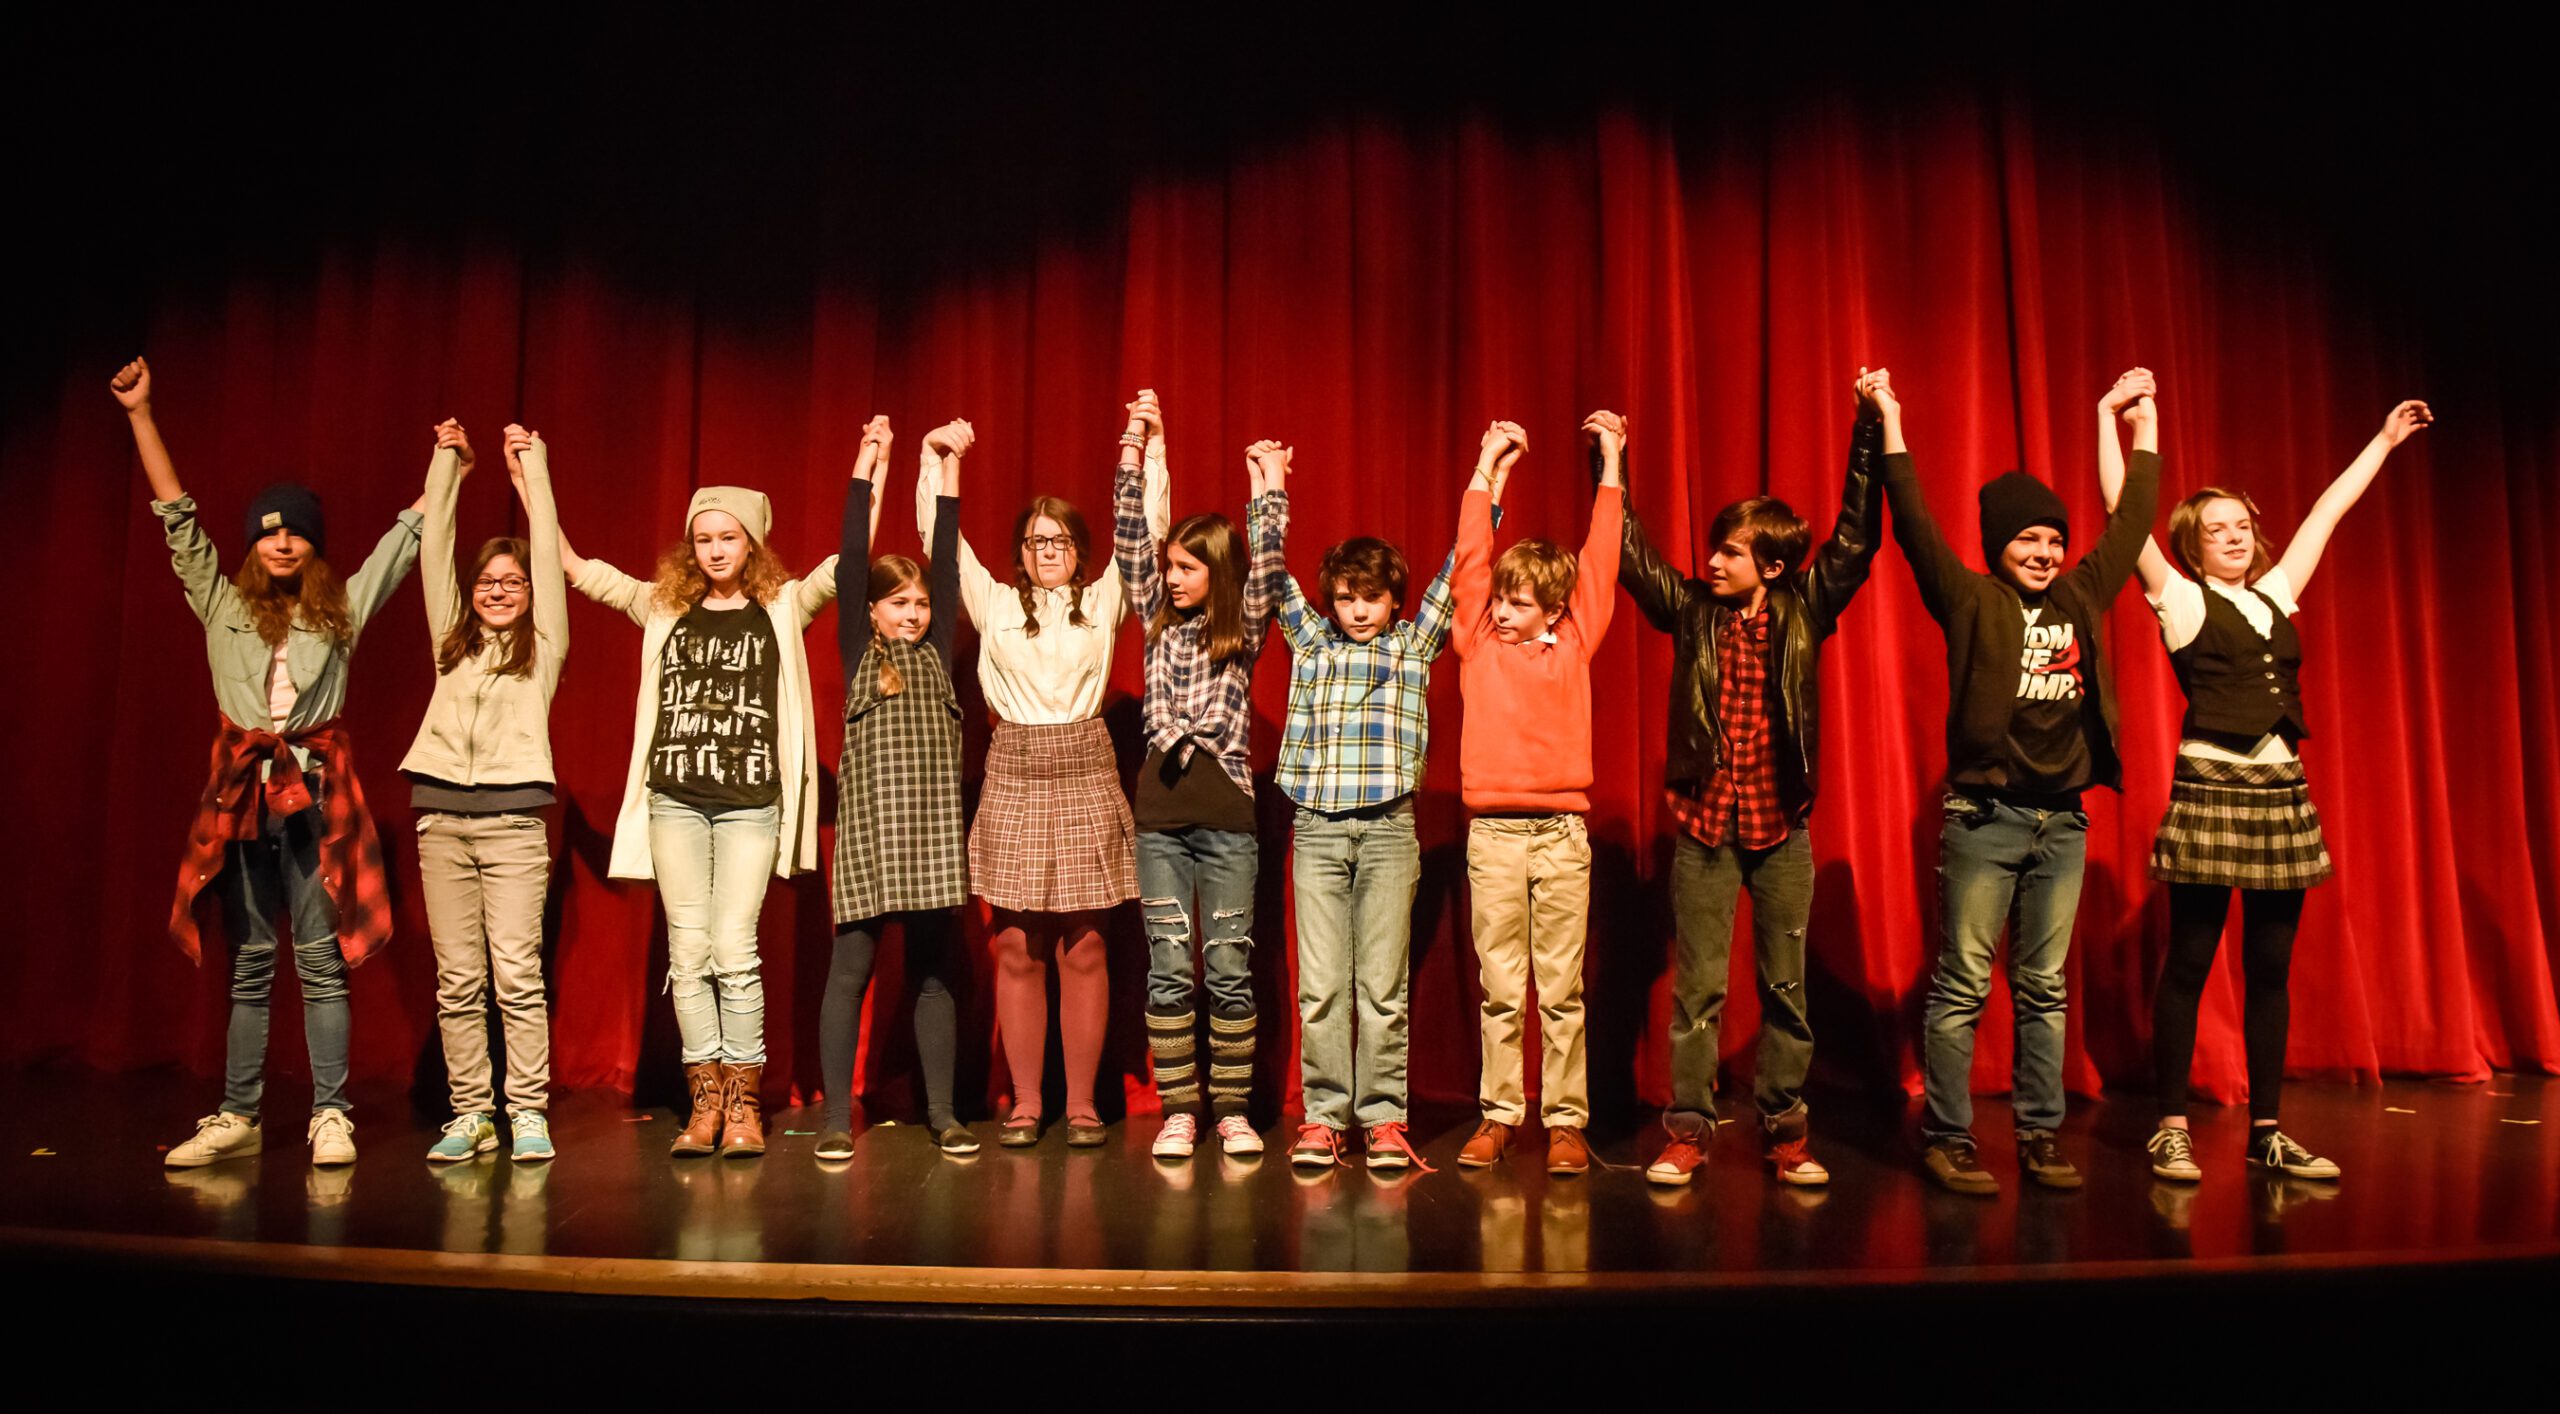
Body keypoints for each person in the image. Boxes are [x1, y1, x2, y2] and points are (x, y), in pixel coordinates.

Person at [2102, 371, 2430, 1183]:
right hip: (2213, 787)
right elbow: (2124, 513)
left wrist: (2383, 444)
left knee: (2271, 968)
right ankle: (2171, 1125)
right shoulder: (2177, 598)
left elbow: (2328, 510)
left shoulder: (2280, 595)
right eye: (2217, 529)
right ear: (2194, 544)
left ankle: (2268, 1132)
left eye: (2242, 525)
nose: (2235, 536)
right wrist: (2111, 420)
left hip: (2283, 791)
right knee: (2190, 958)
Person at [117, 357, 424, 1169]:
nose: (282, 540)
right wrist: (142, 414)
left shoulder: (343, 609)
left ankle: (331, 1112)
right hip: (241, 798)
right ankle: (239, 1113)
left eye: (294, 531)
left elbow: (408, 539)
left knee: (320, 959)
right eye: (269, 530)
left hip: (317, 798)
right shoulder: (220, 601)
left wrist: (448, 468)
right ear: (254, 544)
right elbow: (176, 517)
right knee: (251, 960)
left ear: (312, 546)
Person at [1883, 367, 2159, 1195]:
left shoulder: (2082, 593)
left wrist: (2137, 423)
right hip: (1984, 816)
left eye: (2051, 540)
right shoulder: (1969, 599)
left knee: (2044, 987)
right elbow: (1914, 522)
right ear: (1996, 546)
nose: (2042, 553)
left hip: (2063, 822)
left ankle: (2040, 1136)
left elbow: (2135, 517)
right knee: (1964, 981)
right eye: (2025, 541)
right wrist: (1891, 417)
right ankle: (1951, 1138)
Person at [1619, 375, 1886, 1188]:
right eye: (1714, 549)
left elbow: (1856, 538)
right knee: (1697, 989)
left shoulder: (1805, 607)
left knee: (1785, 987)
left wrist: (1869, 431)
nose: (1711, 561)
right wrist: (1613, 463)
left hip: (1781, 831)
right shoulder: (1695, 611)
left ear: (1769, 563)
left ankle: (1785, 1128)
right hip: (1705, 826)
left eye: (1728, 551)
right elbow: (1633, 562)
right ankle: (1689, 1130)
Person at [563, 468, 838, 1158]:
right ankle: (706, 1101)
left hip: (749, 805)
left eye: (728, 538)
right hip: (674, 802)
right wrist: (534, 478)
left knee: (734, 949)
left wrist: (874, 466)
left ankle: (745, 1101)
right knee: (688, 954)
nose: (715, 550)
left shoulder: (782, 606)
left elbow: (846, 565)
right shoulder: (665, 606)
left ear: (752, 544)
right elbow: (580, 572)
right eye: (704, 539)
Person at [916, 412, 1168, 1146]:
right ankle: (1027, 1102)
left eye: (1059, 540)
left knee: (1085, 943)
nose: (1047, 550)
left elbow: (1147, 527)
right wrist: (937, 463)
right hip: (1018, 768)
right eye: (1035, 540)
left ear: (1080, 550)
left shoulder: (1104, 598)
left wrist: (1145, 448)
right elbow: (942, 547)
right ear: (1021, 553)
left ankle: (1083, 1102)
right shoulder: (994, 602)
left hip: (1085, 763)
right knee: (1016, 943)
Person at [1272, 477, 1502, 1172]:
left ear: (1394, 600)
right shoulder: (1312, 644)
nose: (1358, 610)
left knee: (1380, 986)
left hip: (1387, 833)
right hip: (1316, 830)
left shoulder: (1411, 646)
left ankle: (1380, 1119)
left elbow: (1460, 565)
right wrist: (1268, 491)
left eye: (1371, 597)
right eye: (1345, 597)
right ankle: (1322, 1117)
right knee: (1321, 986)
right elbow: (1272, 577)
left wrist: (1489, 478)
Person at [1113, 393, 1290, 1161]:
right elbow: (1127, 540)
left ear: (1214, 570)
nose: (1173, 577)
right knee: (1168, 969)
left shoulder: (1238, 629)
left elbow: (1271, 570)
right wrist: (1136, 442)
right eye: (1170, 566)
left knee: (1226, 967)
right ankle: (1179, 1108)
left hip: (1226, 824)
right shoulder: (1155, 620)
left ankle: (1231, 1111)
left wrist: (1269, 484)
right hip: (1160, 821)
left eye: (1187, 567)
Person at [1451, 417, 1624, 1176]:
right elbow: (1469, 561)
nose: (1503, 609)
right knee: (1500, 989)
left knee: (1560, 990)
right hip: (1492, 835)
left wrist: (1613, 462)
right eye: (1503, 599)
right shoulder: (1477, 641)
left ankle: (1564, 1121)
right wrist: (1491, 466)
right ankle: (1499, 1115)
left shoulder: (1577, 638)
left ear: (1553, 610)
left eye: (1520, 603)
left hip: (1559, 833)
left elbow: (1601, 559)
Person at [815, 415, 979, 1162]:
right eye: (898, 604)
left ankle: (941, 1113)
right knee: (851, 971)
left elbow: (946, 560)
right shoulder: (859, 652)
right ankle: (832, 1121)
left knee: (934, 975)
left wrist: (947, 468)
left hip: (934, 835)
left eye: (918, 605)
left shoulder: (939, 644)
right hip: (872, 835)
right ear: (873, 610)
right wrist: (866, 461)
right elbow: (853, 555)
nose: (913, 614)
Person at [406, 422, 569, 1164]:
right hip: (440, 821)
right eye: (487, 582)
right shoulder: (451, 640)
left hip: (511, 827)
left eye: (513, 581)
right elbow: (434, 545)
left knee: (515, 974)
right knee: (458, 979)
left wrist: (531, 470)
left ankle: (526, 1110)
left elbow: (545, 549)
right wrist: (450, 464)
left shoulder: (544, 650)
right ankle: (471, 1111)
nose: (499, 590)